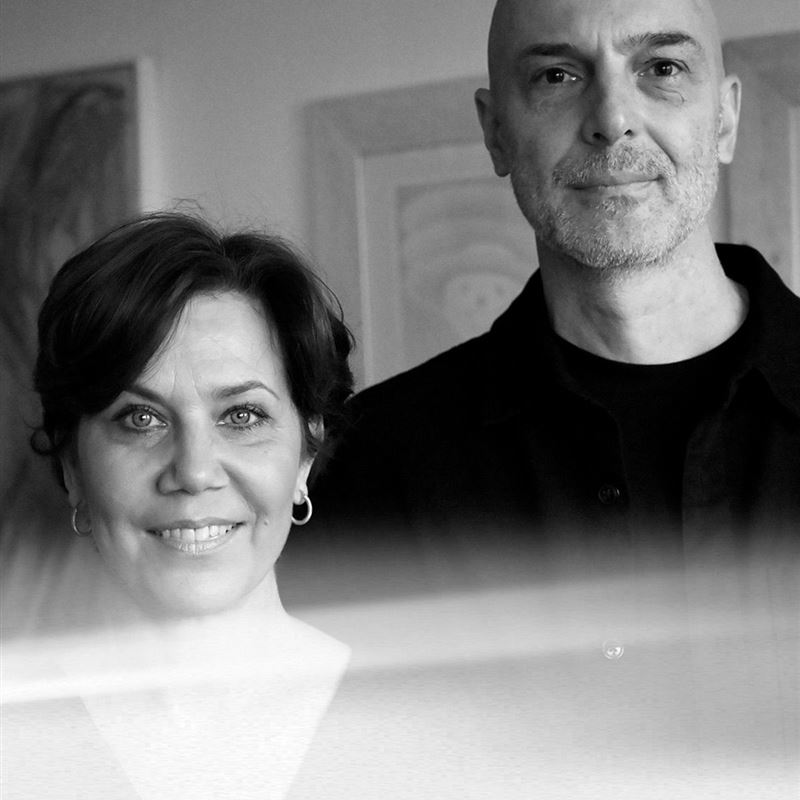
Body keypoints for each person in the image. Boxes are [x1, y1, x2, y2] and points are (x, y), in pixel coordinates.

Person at [302, 0, 800, 588]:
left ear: (725, 119)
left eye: (662, 68)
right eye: (557, 76)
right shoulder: (369, 466)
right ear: (496, 132)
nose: (612, 119)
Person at [1, 212, 354, 799]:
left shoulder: (441, 723)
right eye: (141, 419)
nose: (193, 471)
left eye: (242, 416)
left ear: (304, 454)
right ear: (72, 467)